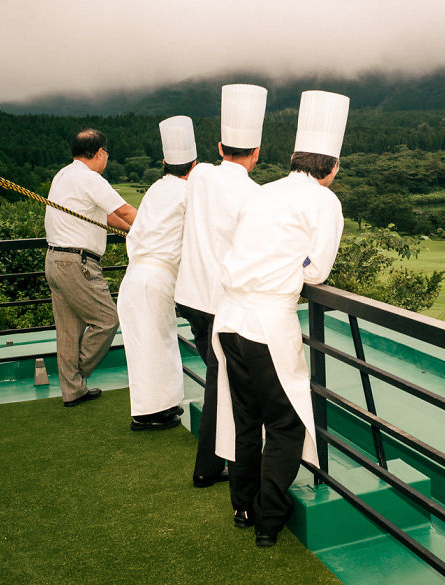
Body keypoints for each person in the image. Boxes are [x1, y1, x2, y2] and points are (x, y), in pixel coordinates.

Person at [210, 90, 349, 548]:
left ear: (294, 159)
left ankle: (243, 507)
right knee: (287, 423)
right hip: (267, 324)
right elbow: (318, 270)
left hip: (229, 321)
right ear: (332, 166)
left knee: (246, 418)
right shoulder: (324, 201)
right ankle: (269, 520)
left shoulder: (264, 191)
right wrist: (296, 267)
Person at [174, 84, 268, 487]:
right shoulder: (255, 194)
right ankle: (207, 468)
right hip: (219, 303)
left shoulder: (200, 177)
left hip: (189, 297)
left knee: (221, 378)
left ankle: (219, 458)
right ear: (257, 152)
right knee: (221, 383)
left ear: (219, 147)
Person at [44, 129, 136, 406]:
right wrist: (155, 230)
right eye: (106, 152)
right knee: (107, 319)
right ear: (99, 153)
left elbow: (106, 216)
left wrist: (133, 230)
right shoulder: (90, 179)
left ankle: (73, 390)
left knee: (68, 331)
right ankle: (77, 372)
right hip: (77, 263)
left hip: (55, 260)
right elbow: (124, 210)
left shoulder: (63, 175)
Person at [118, 116, 197, 431]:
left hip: (134, 275)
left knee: (146, 345)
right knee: (157, 344)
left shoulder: (154, 189)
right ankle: (149, 414)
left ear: (164, 163)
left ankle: (158, 407)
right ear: (194, 165)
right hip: (157, 277)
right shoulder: (189, 193)